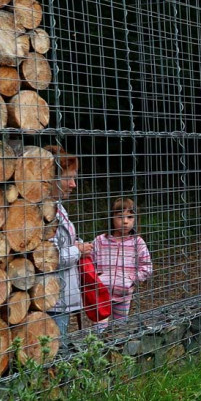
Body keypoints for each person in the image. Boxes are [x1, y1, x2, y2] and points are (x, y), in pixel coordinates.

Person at [43, 145, 91, 338]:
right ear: (50, 178)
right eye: (68, 178)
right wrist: (78, 250)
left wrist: (79, 244)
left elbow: (64, 241)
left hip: (62, 296)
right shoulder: (41, 212)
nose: (73, 184)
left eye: (74, 178)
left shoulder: (58, 207)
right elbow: (47, 259)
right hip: (53, 300)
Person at [92, 197, 153, 331]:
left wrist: (130, 279)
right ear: (111, 218)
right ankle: (97, 351)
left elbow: (147, 267)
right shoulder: (100, 241)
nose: (125, 221)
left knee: (120, 330)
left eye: (130, 217)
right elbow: (90, 265)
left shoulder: (138, 242)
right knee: (99, 329)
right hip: (100, 294)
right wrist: (97, 279)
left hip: (124, 295)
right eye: (120, 217)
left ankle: (117, 351)